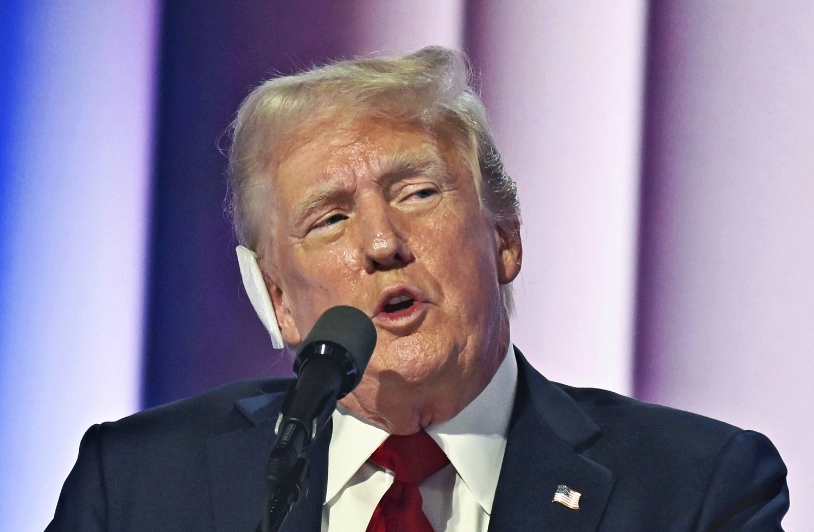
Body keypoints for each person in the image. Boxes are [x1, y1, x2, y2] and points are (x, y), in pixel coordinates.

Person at [47, 47, 788, 532]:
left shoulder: (697, 491)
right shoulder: (141, 486)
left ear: (505, 238)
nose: (381, 243)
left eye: (418, 193)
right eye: (330, 218)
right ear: (278, 299)